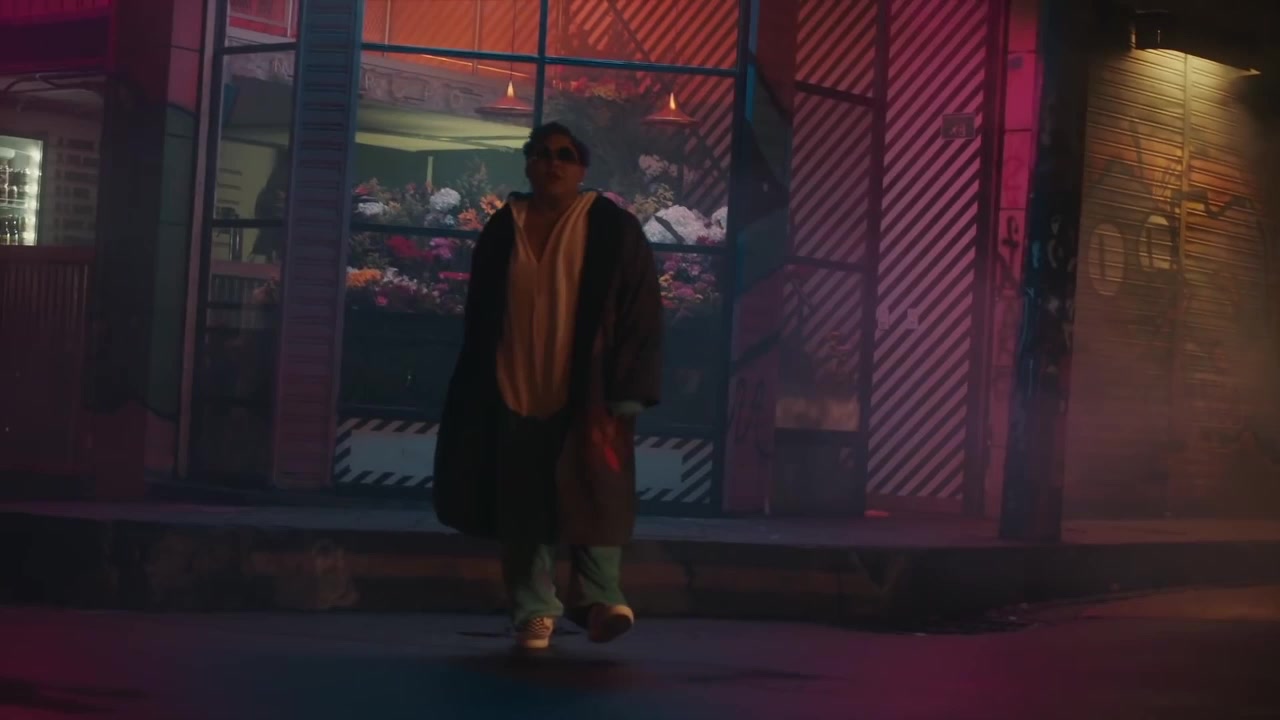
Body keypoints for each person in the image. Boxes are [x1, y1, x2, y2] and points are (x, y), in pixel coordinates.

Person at [432, 122, 664, 651]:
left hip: (587, 387)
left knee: (595, 491)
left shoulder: (610, 227)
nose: (551, 163)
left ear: (581, 167)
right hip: (513, 379)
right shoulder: (504, 226)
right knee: (521, 499)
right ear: (528, 163)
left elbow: (640, 310)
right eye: (541, 154)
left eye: (563, 155)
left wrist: (629, 386)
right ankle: (534, 609)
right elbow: (481, 312)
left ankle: (600, 598)